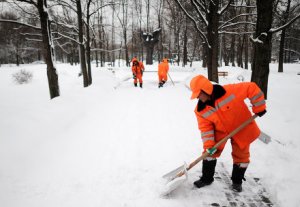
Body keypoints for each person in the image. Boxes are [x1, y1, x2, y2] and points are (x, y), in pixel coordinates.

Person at [189, 75, 267, 192]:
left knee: (242, 156)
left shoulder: (230, 91)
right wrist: (209, 145)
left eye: (199, 94)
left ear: (206, 89)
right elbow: (206, 129)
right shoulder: (200, 110)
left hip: (242, 127)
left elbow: (252, 88)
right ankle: (206, 179)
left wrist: (259, 107)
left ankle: (237, 181)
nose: (197, 98)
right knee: (209, 153)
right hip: (220, 132)